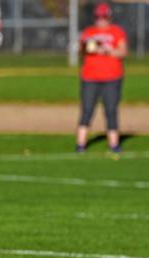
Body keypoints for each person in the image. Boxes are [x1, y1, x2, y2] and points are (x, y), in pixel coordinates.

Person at [76, 2, 127, 153]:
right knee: (87, 110)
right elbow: (81, 51)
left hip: (112, 77)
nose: (101, 20)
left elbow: (123, 51)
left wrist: (108, 50)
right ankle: (80, 144)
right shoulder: (89, 32)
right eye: (98, 17)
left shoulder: (116, 32)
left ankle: (114, 144)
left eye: (104, 17)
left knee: (111, 110)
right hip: (90, 77)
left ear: (109, 17)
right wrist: (87, 48)